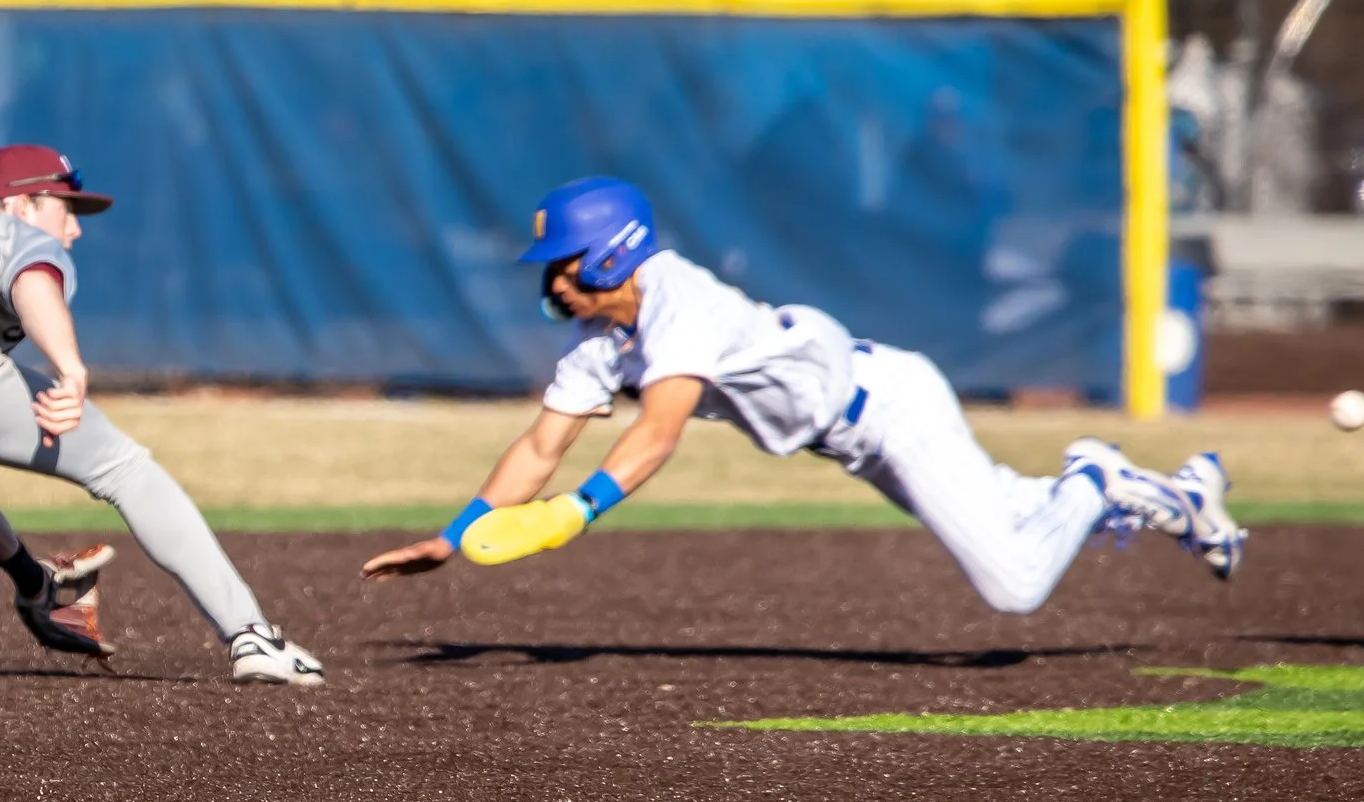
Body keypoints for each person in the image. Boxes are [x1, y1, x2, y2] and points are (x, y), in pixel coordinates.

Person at [361, 176, 1245, 607]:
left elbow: (658, 433)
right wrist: (456, 535)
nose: (549, 285)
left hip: (890, 405)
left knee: (1014, 583)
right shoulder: (604, 340)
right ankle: (1179, 497)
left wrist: (576, 513)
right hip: (854, 433)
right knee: (1012, 508)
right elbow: (540, 445)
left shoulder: (681, 299)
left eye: (559, 267)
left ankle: (1095, 474)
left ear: (606, 255)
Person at [0, 143, 324, 686]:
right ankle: (251, 636)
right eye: (65, 207)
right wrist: (69, 368)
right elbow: (33, 283)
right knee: (125, 468)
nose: (74, 228)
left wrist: (29, 580)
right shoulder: (13, 233)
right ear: (20, 205)